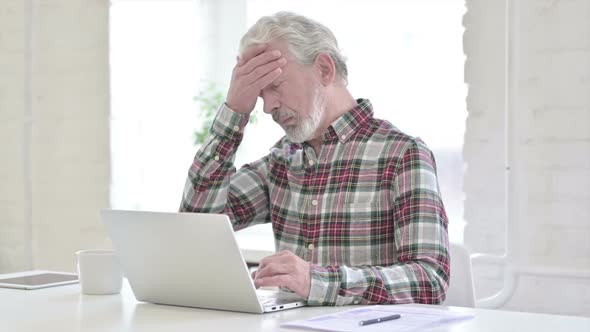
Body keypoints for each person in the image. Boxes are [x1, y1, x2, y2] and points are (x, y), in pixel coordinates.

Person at [180, 11, 450, 306]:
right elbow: (197, 224)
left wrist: (315, 281)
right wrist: (234, 112)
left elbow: (430, 281)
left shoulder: (402, 154)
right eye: (259, 95)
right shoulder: (282, 160)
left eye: (275, 86)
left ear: (323, 69)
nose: (268, 106)